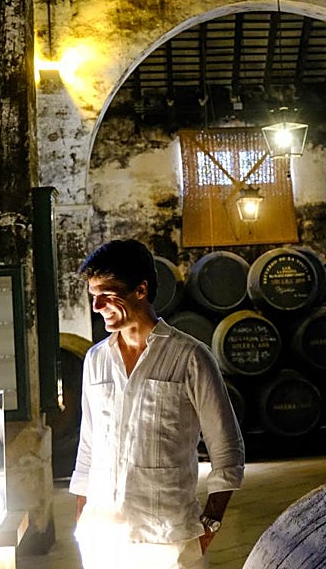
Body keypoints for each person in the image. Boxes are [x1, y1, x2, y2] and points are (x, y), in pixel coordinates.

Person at [69, 238, 245, 569]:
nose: (97, 306)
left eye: (107, 295)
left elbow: (228, 452)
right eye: (94, 296)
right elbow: (88, 449)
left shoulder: (190, 357)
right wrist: (82, 519)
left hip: (168, 540)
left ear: (141, 290)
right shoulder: (95, 360)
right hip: (101, 540)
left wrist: (210, 524)